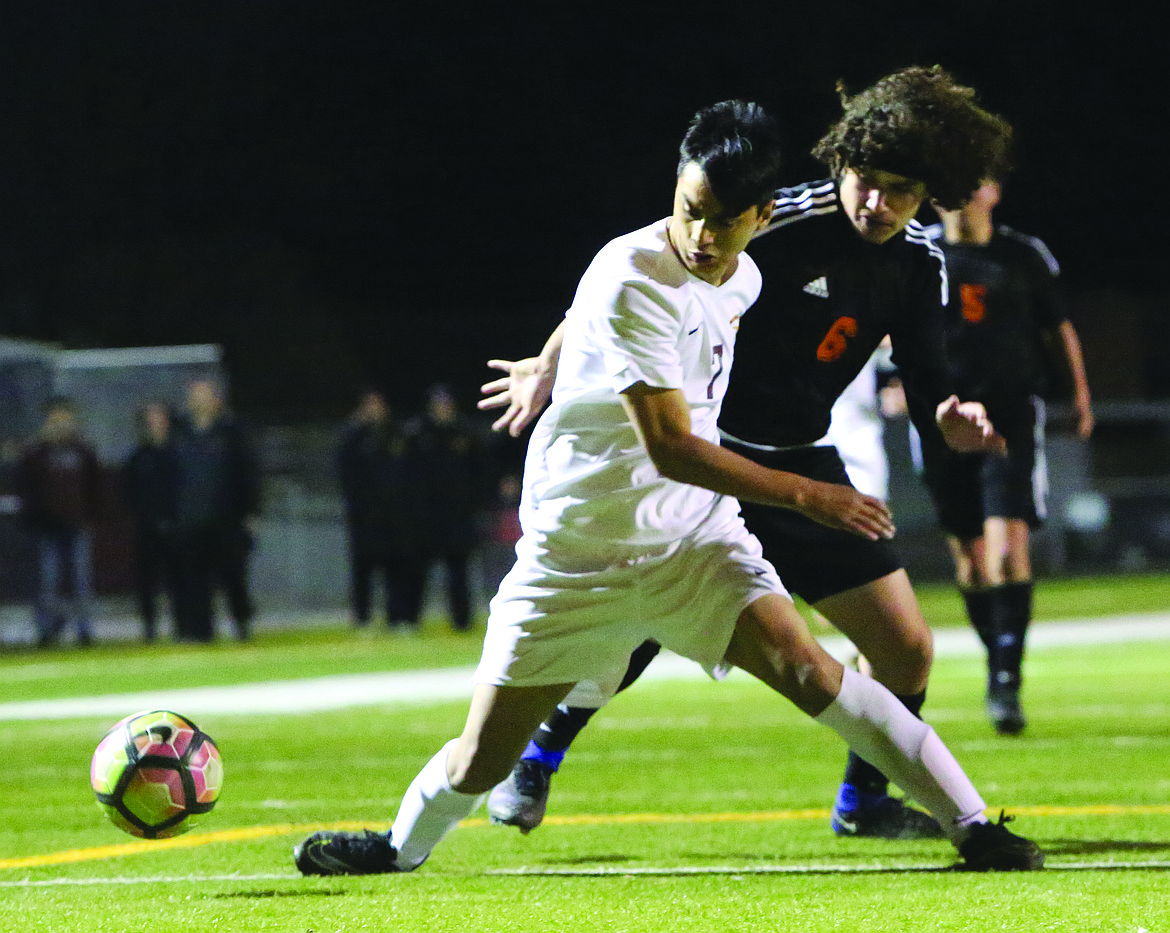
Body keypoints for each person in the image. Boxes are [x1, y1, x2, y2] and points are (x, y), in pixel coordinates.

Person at [294, 99, 1041, 875]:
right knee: (479, 761)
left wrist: (941, 413)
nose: (702, 237)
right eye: (690, 212)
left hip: (693, 540)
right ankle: (396, 848)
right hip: (577, 556)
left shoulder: (745, 272)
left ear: (758, 215)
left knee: (813, 669)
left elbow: (880, 366)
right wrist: (809, 495)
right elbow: (674, 445)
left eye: (724, 220)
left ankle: (974, 826)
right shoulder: (633, 277)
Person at [479, 66, 1014, 841]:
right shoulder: (780, 217)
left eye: (902, 189)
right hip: (711, 455)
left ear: (929, 191)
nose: (878, 202)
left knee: (904, 647)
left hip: (803, 459)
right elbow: (634, 271)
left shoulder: (918, 264)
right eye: (866, 180)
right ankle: (539, 755)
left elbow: (931, 378)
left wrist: (949, 413)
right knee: (633, 634)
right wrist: (547, 361)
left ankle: (862, 803)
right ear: (842, 164)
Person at [916, 175, 1093, 735]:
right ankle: (999, 654)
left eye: (974, 183)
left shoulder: (1022, 255)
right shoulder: (919, 252)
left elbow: (1057, 326)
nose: (964, 195)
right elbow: (892, 325)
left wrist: (1080, 392)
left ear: (994, 189)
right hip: (943, 419)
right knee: (969, 562)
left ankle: (1005, 683)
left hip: (1011, 414)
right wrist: (892, 377)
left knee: (1006, 553)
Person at [170, 378, 260, 642]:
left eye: (205, 395)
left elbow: (247, 473)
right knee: (195, 578)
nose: (199, 400)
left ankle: (242, 622)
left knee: (233, 574)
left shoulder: (231, 432)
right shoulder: (180, 433)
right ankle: (201, 630)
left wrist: (250, 511)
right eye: (195, 395)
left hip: (226, 519)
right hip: (191, 520)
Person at [335, 389, 428, 630]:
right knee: (363, 570)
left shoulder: (397, 434)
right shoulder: (355, 437)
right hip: (365, 518)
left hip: (395, 518)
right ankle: (362, 617)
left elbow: (411, 474)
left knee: (396, 569)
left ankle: (397, 617)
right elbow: (346, 473)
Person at [14, 396, 103, 648]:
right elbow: (25, 487)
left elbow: (95, 487)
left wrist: (90, 517)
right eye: (55, 418)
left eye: (65, 418)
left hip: (77, 526)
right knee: (47, 582)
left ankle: (84, 631)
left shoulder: (83, 450)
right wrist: (33, 519)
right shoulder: (35, 452)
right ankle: (47, 630)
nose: (61, 423)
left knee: (81, 581)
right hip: (45, 528)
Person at [410, 384, 493, 632]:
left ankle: (462, 621)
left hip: (458, 516)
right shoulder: (420, 435)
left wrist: (476, 504)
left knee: (458, 572)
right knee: (417, 571)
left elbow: (481, 472)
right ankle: (409, 619)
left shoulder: (466, 434)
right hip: (427, 516)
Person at [122, 401, 180, 642]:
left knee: (179, 578)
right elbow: (128, 492)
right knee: (147, 580)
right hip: (146, 527)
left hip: (177, 527)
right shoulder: (138, 457)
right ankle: (150, 627)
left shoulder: (180, 455)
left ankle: (183, 624)